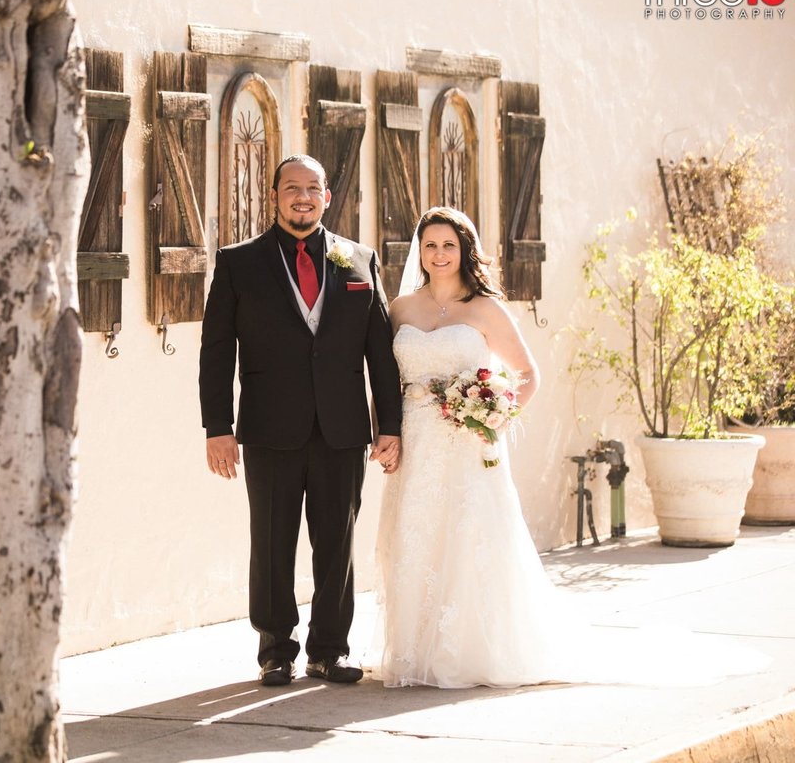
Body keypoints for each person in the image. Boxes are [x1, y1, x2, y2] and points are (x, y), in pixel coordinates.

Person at [372, 206, 768, 688]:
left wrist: (494, 414)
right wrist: (383, 431)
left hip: (468, 443)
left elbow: (528, 375)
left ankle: (468, 652)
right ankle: (415, 653)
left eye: (448, 245)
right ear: (420, 250)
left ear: (463, 251)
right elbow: (383, 378)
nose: (438, 254)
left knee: (468, 537)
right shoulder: (400, 309)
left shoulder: (485, 309)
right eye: (430, 245)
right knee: (414, 536)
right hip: (416, 437)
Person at [199, 154, 403, 686]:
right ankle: (275, 649)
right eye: (292, 188)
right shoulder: (239, 262)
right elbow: (216, 351)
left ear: (327, 197)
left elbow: (380, 351)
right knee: (271, 543)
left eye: (313, 188)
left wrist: (390, 425)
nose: (303, 197)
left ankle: (330, 649)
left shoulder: (359, 260)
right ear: (275, 196)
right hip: (269, 430)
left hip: (342, 430)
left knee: (337, 542)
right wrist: (217, 428)